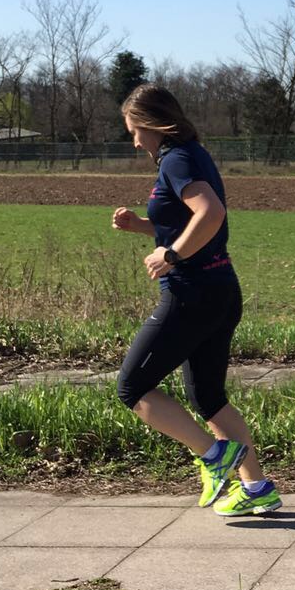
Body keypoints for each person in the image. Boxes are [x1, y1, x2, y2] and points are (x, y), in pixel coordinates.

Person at [112, 85, 282, 518]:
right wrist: (143, 228)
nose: (134, 141)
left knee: (132, 388)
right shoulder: (192, 154)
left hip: (192, 294)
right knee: (209, 397)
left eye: (134, 131)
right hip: (220, 288)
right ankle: (256, 488)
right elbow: (190, 223)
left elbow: (210, 214)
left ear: (152, 125)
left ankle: (213, 456)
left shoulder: (176, 159)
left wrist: (171, 255)